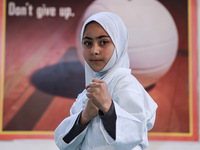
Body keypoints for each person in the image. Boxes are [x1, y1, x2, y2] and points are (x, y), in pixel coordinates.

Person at [54, 12, 158, 150]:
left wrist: (108, 108)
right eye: (87, 43)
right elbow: (63, 143)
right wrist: (84, 117)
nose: (94, 50)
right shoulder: (86, 93)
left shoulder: (126, 85)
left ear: (119, 44)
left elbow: (135, 135)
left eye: (103, 42)